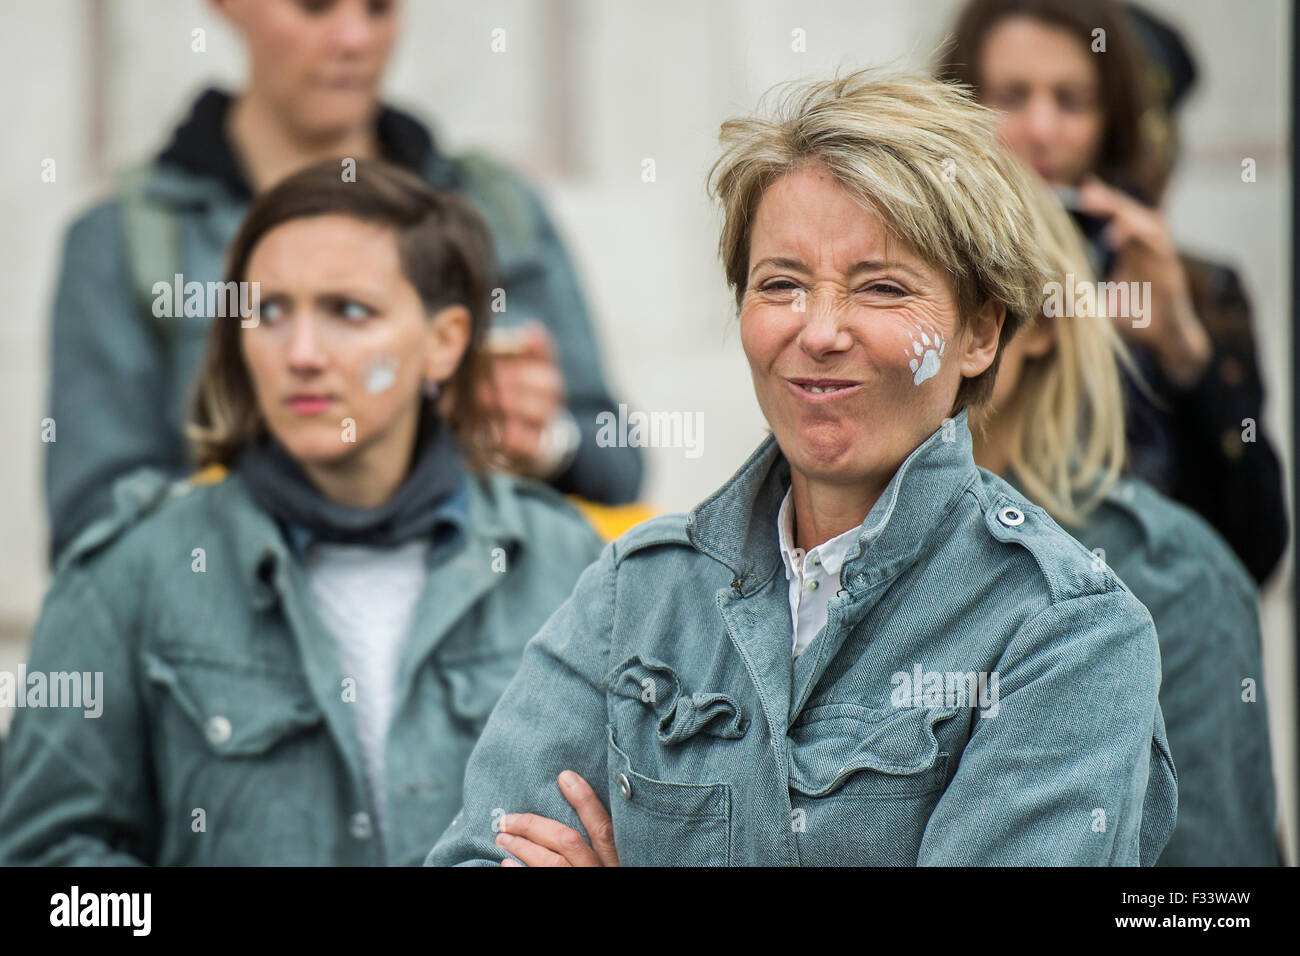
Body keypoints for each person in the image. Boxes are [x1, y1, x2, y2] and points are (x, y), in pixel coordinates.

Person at [425, 71, 1176, 867]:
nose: (819, 332)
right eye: (780, 283)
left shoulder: (1064, 633)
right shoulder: (632, 595)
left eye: (881, 287)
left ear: (982, 334)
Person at [0, 160, 604, 865]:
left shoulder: (568, 567)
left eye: (349, 311)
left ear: (443, 343)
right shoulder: (131, 575)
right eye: (270, 312)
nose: (303, 354)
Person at [44, 0, 641, 563]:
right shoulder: (128, 237)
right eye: (314, 5)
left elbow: (620, 465)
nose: (354, 38)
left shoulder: (496, 211)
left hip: (478, 642)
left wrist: (541, 437)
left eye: (379, 7)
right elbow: (91, 528)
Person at [972, 177, 1280, 865]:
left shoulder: (1170, 578)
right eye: (794, 284)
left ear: (1037, 325)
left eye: (904, 287)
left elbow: (1210, 904)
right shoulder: (776, 558)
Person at [938, 0, 1288, 584]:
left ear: (1112, 120)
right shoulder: (921, 280)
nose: (1041, 130)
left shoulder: (1197, 288)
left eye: (1072, 101)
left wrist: (1182, 351)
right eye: (1011, 97)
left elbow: (1256, 550)